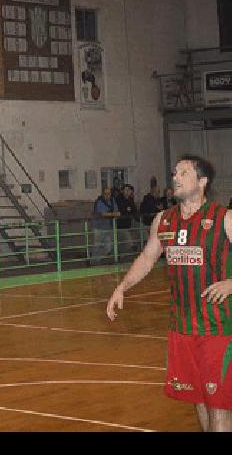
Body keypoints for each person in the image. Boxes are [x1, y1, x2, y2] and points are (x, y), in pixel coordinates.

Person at [107, 155, 232, 432]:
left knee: (219, 407)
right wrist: (122, 286)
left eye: (183, 173)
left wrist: (231, 283)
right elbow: (148, 258)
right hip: (182, 327)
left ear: (202, 182)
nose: (175, 177)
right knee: (199, 400)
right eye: (175, 172)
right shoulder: (164, 220)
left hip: (219, 328)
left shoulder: (224, 219)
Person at [91, 187, 120, 265]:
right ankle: (93, 262)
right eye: (106, 194)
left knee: (108, 247)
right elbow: (103, 214)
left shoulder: (112, 201)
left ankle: (97, 259)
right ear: (103, 194)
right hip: (98, 228)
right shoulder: (99, 201)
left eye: (109, 193)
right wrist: (112, 214)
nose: (107, 195)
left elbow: (117, 212)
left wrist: (111, 214)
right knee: (96, 246)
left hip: (108, 227)